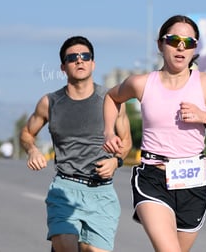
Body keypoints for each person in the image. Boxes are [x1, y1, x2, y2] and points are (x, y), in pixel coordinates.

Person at [103, 15, 206, 252]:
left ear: (195, 48)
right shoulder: (141, 83)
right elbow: (111, 97)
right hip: (153, 178)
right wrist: (109, 131)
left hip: (193, 183)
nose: (181, 46)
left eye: (189, 42)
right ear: (160, 44)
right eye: (174, 40)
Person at [20, 36, 132, 252]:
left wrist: (116, 162)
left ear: (93, 63)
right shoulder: (49, 102)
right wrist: (32, 150)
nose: (79, 61)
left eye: (85, 57)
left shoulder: (112, 101)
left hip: (102, 192)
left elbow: (126, 141)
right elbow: (26, 133)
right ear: (63, 67)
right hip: (65, 188)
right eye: (72, 58)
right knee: (65, 245)